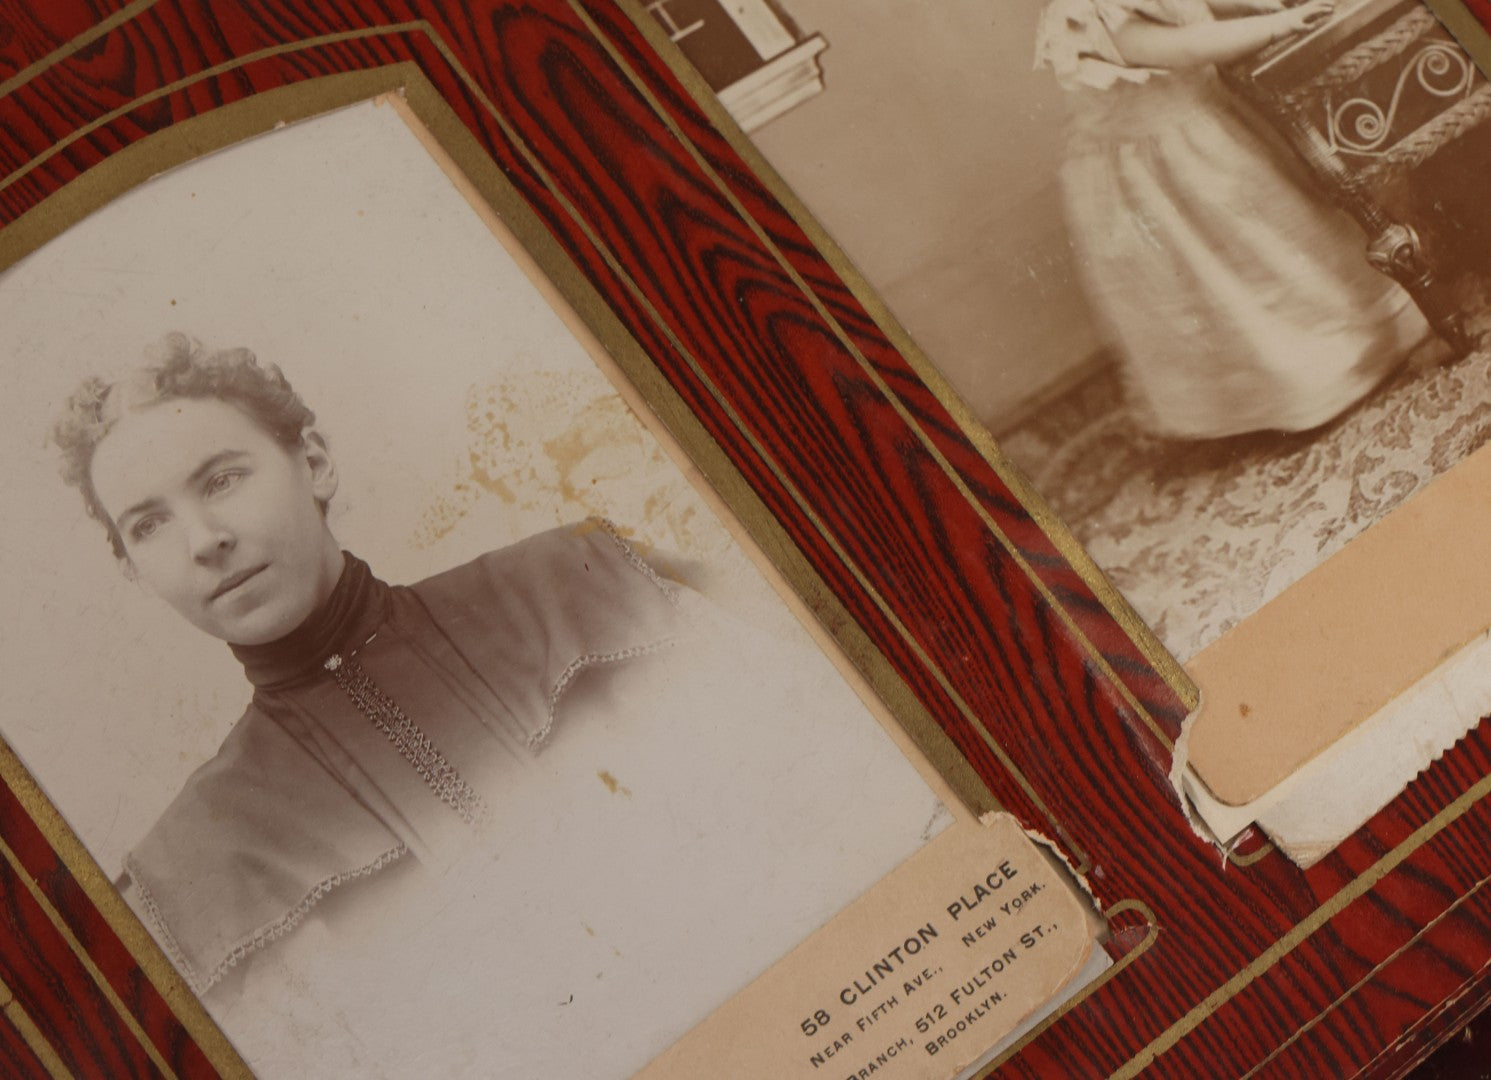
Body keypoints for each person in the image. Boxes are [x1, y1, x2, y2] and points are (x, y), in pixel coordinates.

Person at [52, 335, 944, 1077]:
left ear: (313, 464)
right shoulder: (183, 878)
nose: (204, 541)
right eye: (148, 525)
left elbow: (887, 815)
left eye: (220, 480)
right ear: (136, 573)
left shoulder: (590, 585)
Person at [1034, 0, 1439, 439]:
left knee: (1288, 243)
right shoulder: (1085, 15)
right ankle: (1301, 384)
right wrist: (1276, 24)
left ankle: (1348, 346)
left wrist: (1259, 3)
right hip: (1162, 168)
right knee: (1242, 270)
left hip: (1201, 128)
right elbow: (1186, 45)